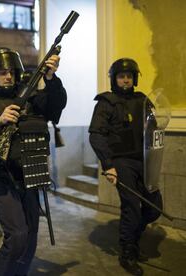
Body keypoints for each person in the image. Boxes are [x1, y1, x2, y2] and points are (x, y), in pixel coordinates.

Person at [0, 47, 67, 275]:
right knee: (17, 235)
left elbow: (54, 109)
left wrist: (50, 78)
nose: (8, 76)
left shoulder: (29, 98)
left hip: (30, 173)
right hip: (0, 176)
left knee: (31, 236)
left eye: (11, 72)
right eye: (2, 72)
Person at [89, 58, 163, 276]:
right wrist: (108, 165)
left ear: (135, 79)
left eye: (129, 76)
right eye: (121, 77)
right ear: (114, 79)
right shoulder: (106, 103)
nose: (125, 80)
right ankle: (127, 251)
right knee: (131, 207)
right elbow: (96, 136)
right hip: (121, 162)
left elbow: (154, 129)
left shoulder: (143, 100)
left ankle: (133, 240)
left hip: (144, 159)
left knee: (154, 207)